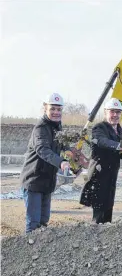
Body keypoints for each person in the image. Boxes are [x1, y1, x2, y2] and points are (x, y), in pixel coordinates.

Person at [19, 93, 71, 233]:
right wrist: (61, 162)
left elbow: (63, 146)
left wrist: (72, 157)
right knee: (34, 224)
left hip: (47, 182)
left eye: (58, 109)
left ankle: (40, 253)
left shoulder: (57, 127)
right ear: (45, 109)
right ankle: (30, 251)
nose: (56, 112)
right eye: (52, 109)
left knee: (43, 222)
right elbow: (43, 150)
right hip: (34, 181)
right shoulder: (40, 129)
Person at [79, 98, 122, 224]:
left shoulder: (119, 130)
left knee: (108, 205)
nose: (115, 115)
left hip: (112, 173)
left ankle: (106, 231)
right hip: (99, 173)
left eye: (118, 112)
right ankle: (96, 231)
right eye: (112, 112)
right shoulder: (99, 128)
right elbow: (102, 142)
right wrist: (119, 146)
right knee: (99, 207)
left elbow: (115, 152)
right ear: (105, 112)